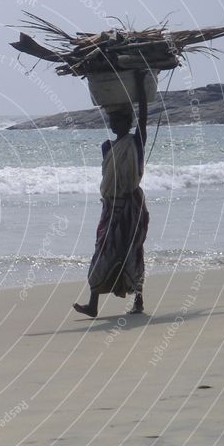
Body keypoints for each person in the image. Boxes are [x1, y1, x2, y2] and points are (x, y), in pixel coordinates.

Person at [73, 70, 150, 318]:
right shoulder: (108, 146)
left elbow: (144, 120)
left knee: (132, 250)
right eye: (114, 121)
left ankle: (138, 301)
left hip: (130, 206)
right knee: (102, 250)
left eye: (122, 121)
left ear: (128, 122)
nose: (117, 125)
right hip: (110, 207)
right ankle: (93, 304)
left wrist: (139, 90)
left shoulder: (136, 141)